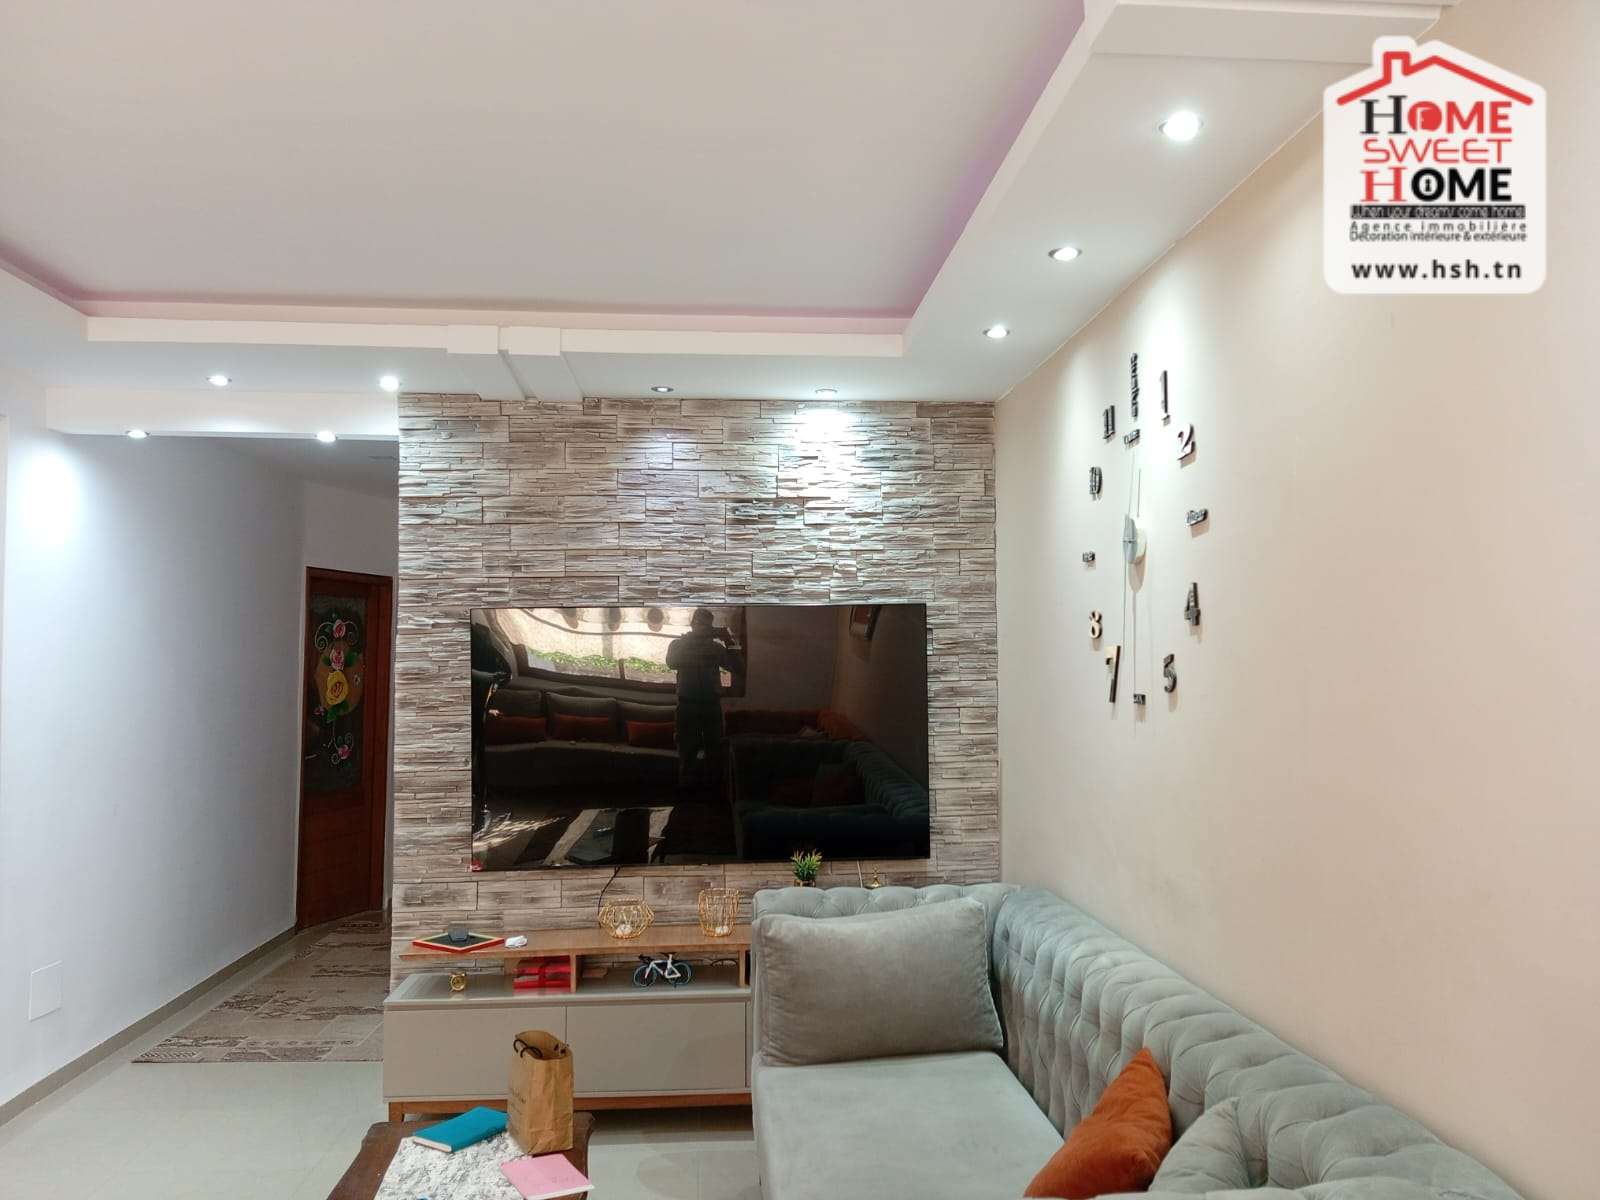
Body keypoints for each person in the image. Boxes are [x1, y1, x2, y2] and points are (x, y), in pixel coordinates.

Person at [665, 608, 744, 786]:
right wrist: (689, 641)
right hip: (687, 706)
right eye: (700, 624)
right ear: (692, 624)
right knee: (686, 753)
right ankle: (686, 792)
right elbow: (671, 662)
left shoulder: (716, 648)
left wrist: (729, 641)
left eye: (707, 626)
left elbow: (739, 668)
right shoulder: (678, 644)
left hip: (711, 705)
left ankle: (713, 792)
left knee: (715, 753)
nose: (703, 629)